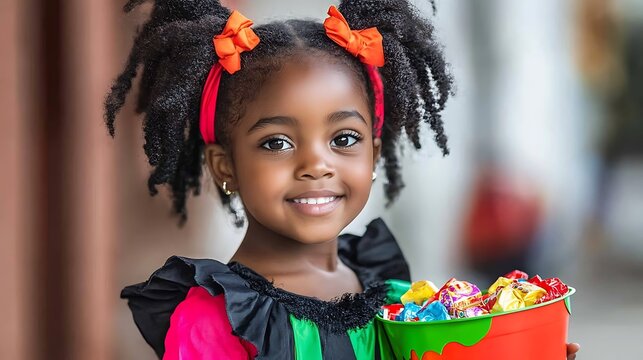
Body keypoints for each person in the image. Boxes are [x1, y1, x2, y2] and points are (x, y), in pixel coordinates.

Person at [105, 0, 580, 358]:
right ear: (224, 166)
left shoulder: (399, 304)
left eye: (344, 138)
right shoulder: (216, 319)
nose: (317, 164)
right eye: (277, 143)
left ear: (374, 151)